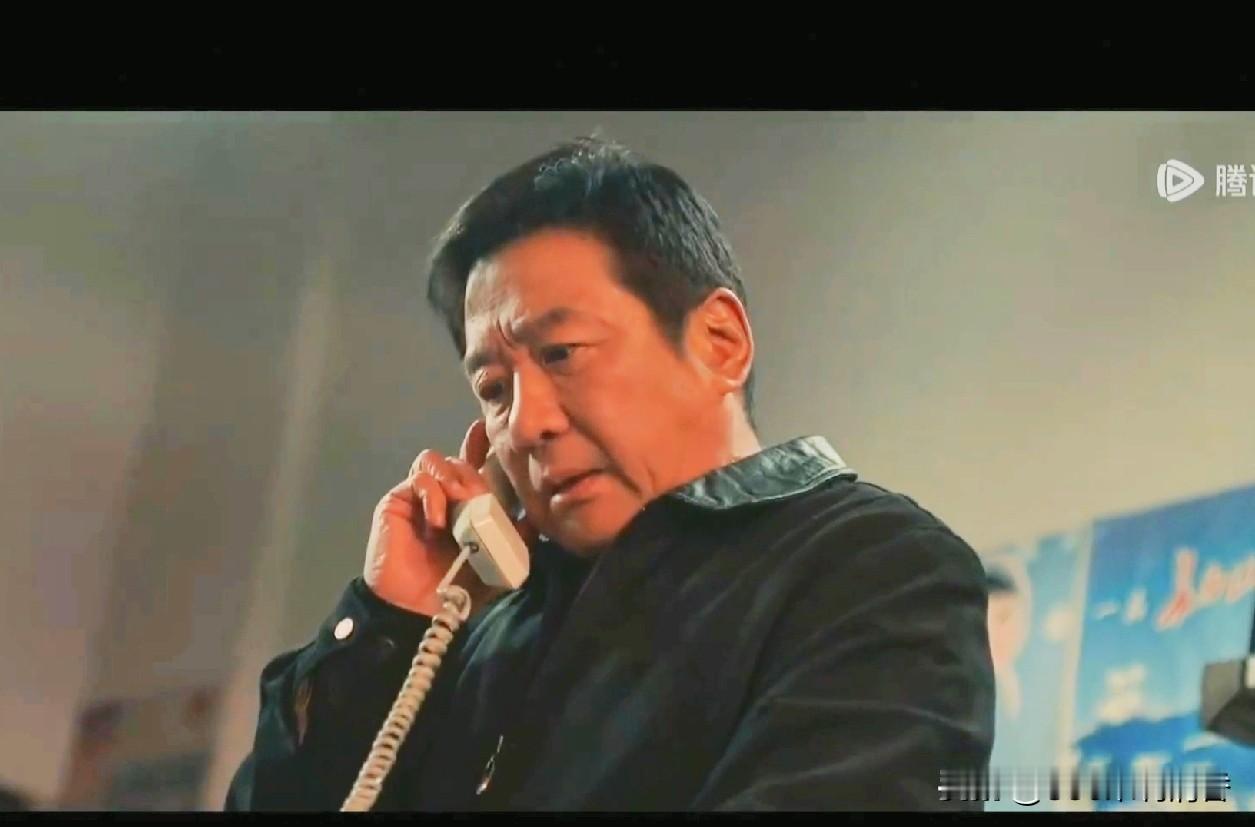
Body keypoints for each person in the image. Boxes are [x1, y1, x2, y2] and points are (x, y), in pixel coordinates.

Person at [224, 135, 995, 812]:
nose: (525, 423)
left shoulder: (875, 568)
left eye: (562, 353)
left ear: (719, 341)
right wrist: (390, 624)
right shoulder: (481, 637)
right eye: (493, 389)